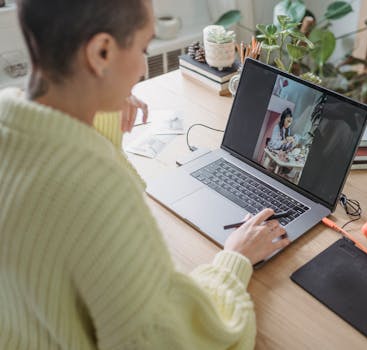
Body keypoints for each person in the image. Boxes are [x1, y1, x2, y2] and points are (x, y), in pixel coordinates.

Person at [0, 1, 289, 349]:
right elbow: (167, 339)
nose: (140, 68)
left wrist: (97, 100)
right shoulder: (99, 190)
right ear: (101, 52)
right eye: (142, 48)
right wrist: (235, 261)